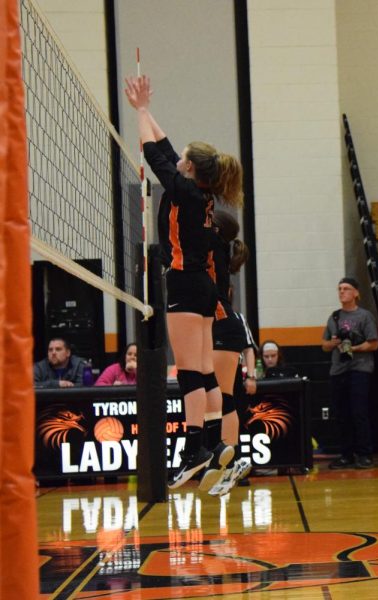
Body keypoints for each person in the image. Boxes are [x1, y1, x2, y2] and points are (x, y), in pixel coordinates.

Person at [124, 75, 242, 490]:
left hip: (186, 285)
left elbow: (153, 151)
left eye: (184, 160)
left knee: (190, 371)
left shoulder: (181, 190)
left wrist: (139, 111)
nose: (178, 161)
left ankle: (195, 449)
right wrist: (145, 108)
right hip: (201, 288)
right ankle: (212, 442)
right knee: (204, 371)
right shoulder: (198, 191)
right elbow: (167, 148)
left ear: (190, 169)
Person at [207, 210, 255, 496]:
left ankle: (228, 460)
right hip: (216, 327)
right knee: (217, 398)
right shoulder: (216, 254)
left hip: (223, 327)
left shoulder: (215, 253)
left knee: (221, 398)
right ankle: (228, 460)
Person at [321, 277, 378, 469]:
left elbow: (374, 343)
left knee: (359, 412)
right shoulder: (334, 317)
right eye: (339, 289)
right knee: (341, 414)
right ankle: (346, 454)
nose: (341, 292)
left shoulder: (364, 316)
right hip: (338, 370)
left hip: (359, 369)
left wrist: (354, 348)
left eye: (346, 288)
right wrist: (334, 344)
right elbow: (324, 345)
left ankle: (364, 454)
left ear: (355, 293)